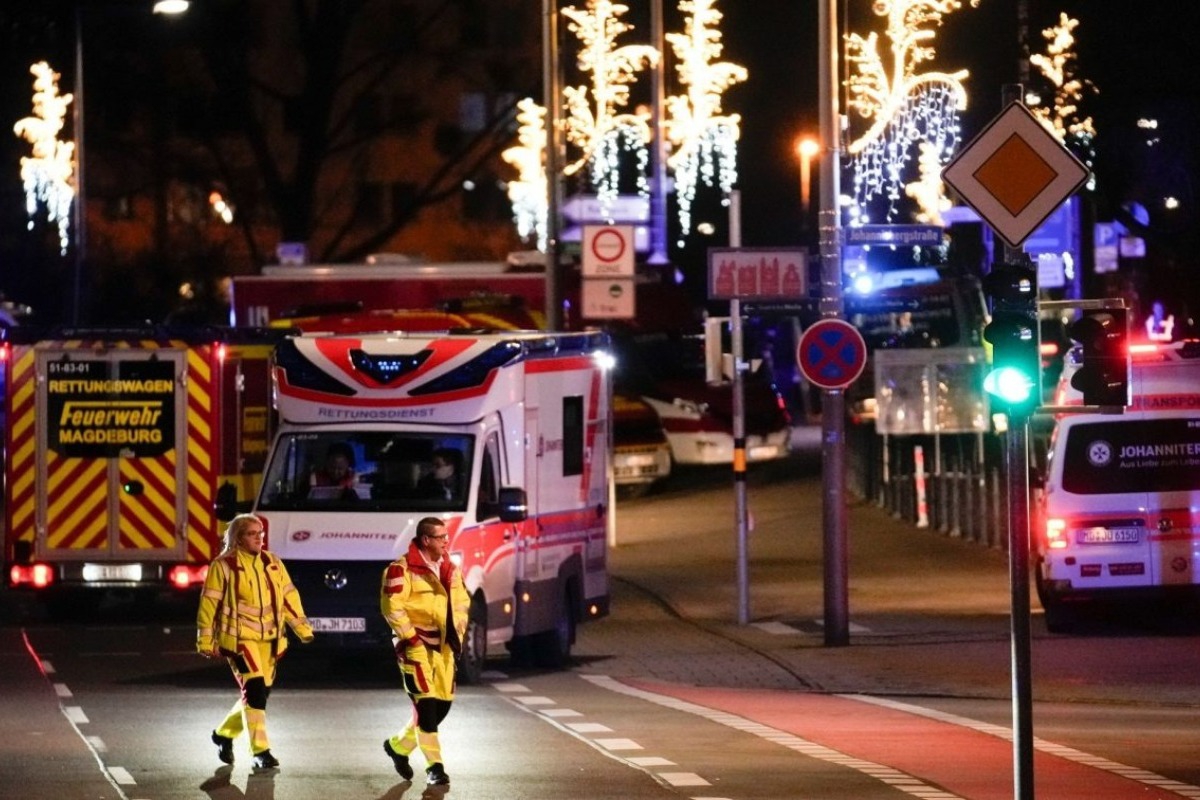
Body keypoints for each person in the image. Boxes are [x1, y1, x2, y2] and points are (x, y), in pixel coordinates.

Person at [196, 514, 314, 771]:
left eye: (261, 532)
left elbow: (289, 596)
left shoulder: (272, 563)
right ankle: (260, 751)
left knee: (257, 695)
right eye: (252, 533)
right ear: (238, 538)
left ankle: (224, 734)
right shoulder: (223, 565)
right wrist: (205, 639)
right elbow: (209, 604)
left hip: (271, 640)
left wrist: (301, 627)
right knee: (256, 691)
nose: (260, 537)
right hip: (239, 640)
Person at [380, 517, 470, 786]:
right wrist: (411, 638)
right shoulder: (400, 569)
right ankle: (435, 767)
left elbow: (462, 602)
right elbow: (392, 607)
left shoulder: (450, 568)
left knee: (441, 706)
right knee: (426, 706)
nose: (446, 541)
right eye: (441, 537)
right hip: (415, 649)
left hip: (444, 648)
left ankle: (398, 747)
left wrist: (458, 636)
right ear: (426, 539)